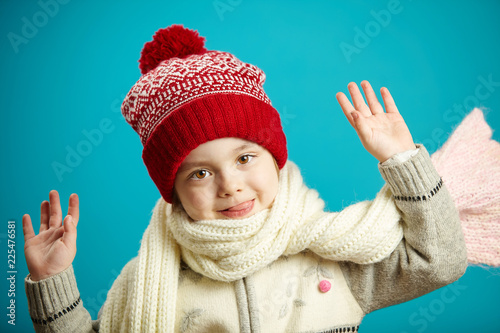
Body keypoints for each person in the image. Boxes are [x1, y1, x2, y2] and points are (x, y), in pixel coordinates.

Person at [22, 25, 467, 332]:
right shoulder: (150, 283)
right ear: (172, 192)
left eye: (245, 158)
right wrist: (51, 279)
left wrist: (403, 159)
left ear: (274, 159)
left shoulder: (333, 258)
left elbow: (439, 261)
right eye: (199, 172)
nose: (229, 185)